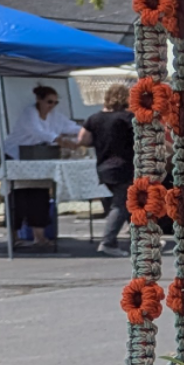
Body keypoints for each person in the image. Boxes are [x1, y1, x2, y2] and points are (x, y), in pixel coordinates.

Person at [3, 83, 81, 249]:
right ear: (39, 100)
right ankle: (14, 236)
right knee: (18, 198)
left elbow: (70, 127)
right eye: (49, 102)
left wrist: (86, 131)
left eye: (55, 102)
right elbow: (38, 132)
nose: (51, 106)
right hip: (16, 157)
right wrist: (61, 140)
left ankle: (40, 236)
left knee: (40, 195)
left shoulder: (55, 116)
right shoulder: (29, 113)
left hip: (37, 158)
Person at [77, 83, 135, 257]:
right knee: (121, 205)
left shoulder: (94, 118)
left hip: (104, 167)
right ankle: (108, 242)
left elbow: (83, 140)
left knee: (126, 203)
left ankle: (141, 238)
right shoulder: (127, 118)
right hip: (124, 166)